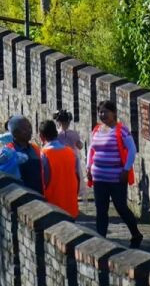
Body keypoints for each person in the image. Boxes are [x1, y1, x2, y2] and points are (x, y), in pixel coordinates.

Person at [86, 100, 142, 246]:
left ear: (114, 113)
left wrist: (126, 169)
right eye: (100, 112)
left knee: (120, 207)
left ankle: (136, 234)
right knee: (101, 209)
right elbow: (91, 150)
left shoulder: (121, 130)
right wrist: (88, 167)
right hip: (99, 177)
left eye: (105, 111)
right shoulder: (97, 130)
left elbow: (132, 149)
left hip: (116, 177)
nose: (102, 114)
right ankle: (101, 239)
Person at [40, 119, 81, 218]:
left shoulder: (44, 154)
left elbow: (44, 180)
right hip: (71, 200)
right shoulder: (70, 151)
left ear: (41, 137)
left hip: (54, 202)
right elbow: (77, 176)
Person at [0, 116, 42, 194]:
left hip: (39, 194)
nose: (30, 131)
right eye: (25, 129)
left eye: (30, 127)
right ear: (15, 133)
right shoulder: (7, 153)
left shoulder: (35, 148)